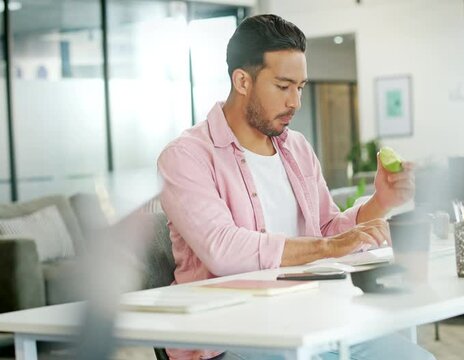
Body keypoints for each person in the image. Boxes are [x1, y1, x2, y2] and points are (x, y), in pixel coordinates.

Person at [158, 14, 433, 360]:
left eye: (300, 87)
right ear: (242, 81)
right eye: (283, 86)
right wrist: (327, 246)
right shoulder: (186, 157)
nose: (295, 102)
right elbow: (223, 249)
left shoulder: (297, 148)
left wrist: (381, 202)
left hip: (311, 321)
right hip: (231, 336)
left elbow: (326, 230)